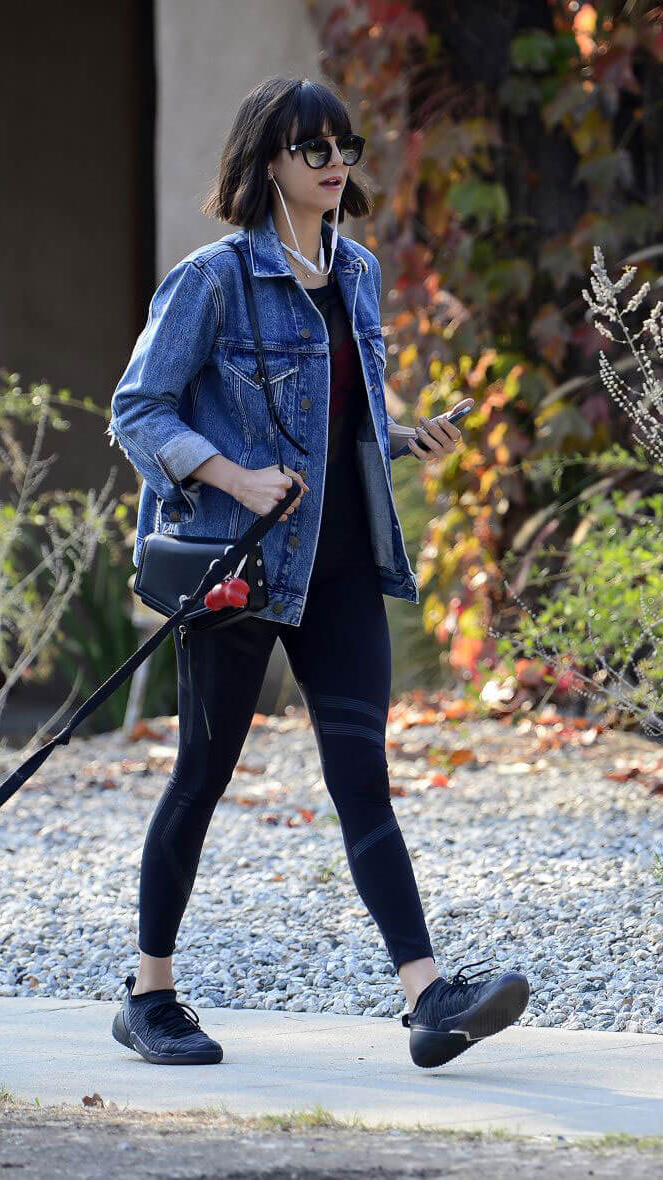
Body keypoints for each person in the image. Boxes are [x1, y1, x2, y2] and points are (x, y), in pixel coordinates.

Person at [107, 77, 530, 1071]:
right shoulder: (212, 281)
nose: (335, 163)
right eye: (312, 148)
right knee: (201, 779)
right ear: (268, 164)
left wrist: (395, 433)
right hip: (241, 572)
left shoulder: (359, 272)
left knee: (363, 781)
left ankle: (429, 1000)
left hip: (340, 570)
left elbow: (336, 407)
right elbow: (139, 411)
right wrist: (235, 477)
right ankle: (148, 994)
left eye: (342, 145)